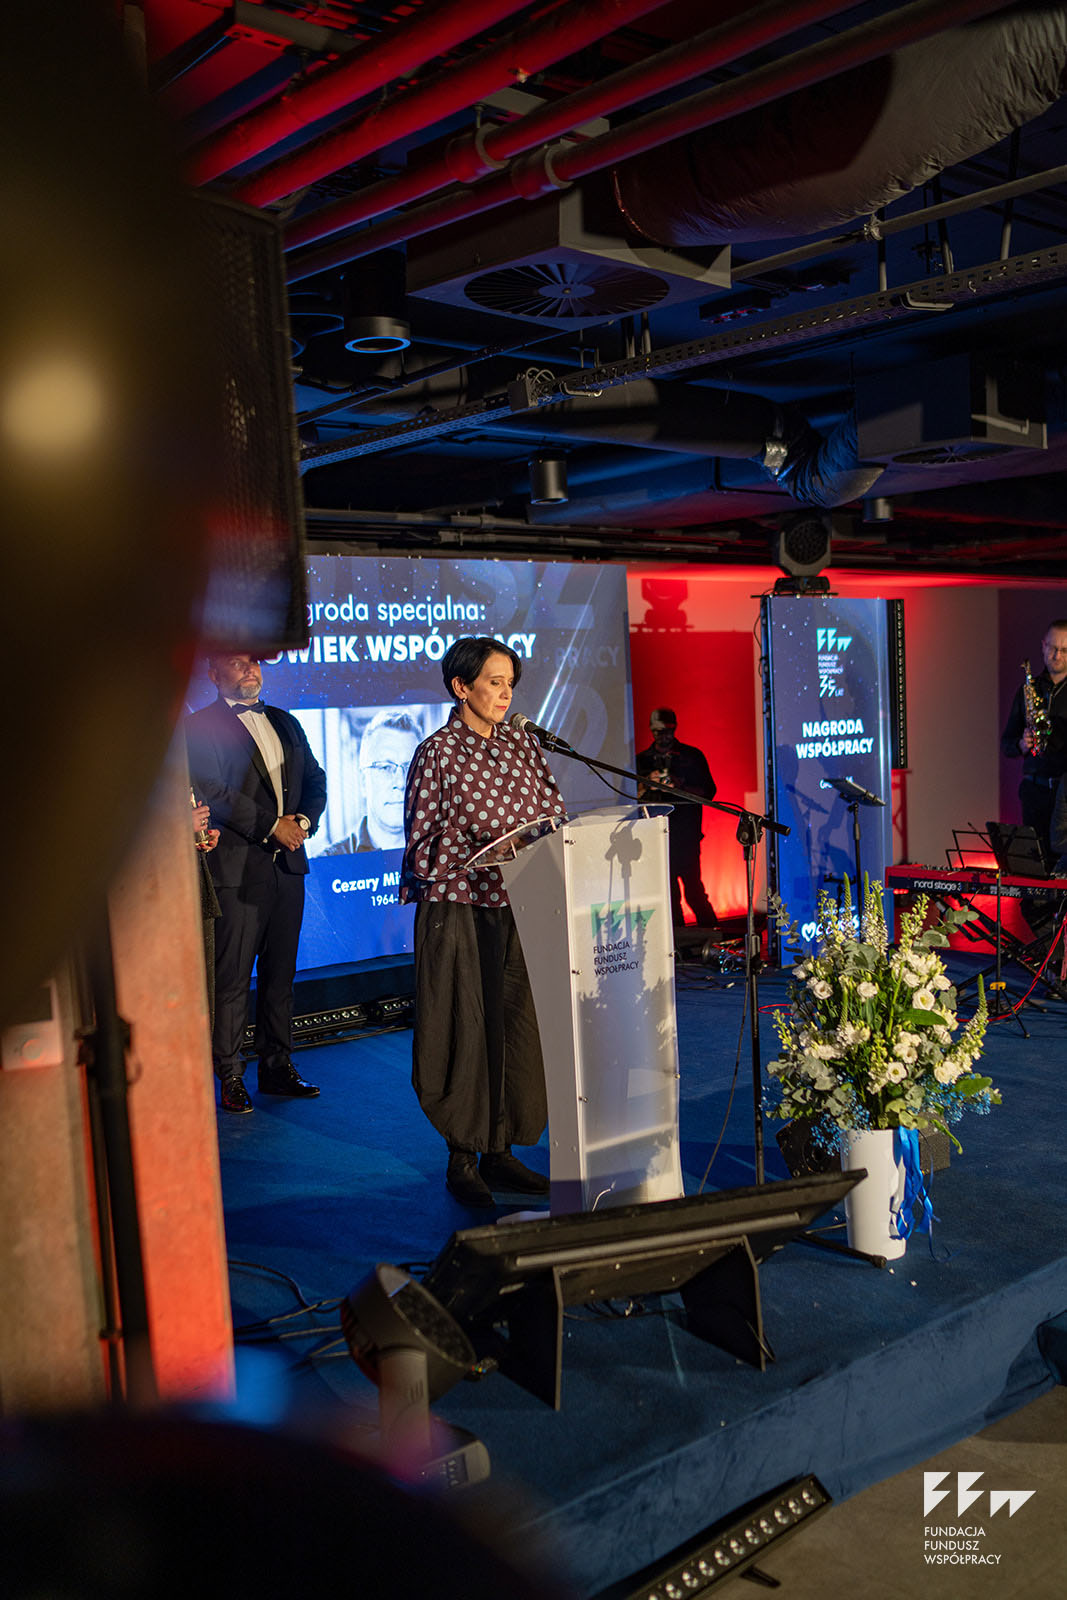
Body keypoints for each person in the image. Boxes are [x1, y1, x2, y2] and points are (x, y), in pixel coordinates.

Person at [400, 636, 567, 1206]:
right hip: (460, 907)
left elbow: (553, 809)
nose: (505, 693)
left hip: (521, 905)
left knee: (516, 1027)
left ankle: (501, 1152)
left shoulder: (523, 744)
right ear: (461, 687)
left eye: (509, 683)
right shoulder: (437, 753)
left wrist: (543, 838)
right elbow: (422, 846)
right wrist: (484, 847)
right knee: (467, 1028)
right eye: (494, 682)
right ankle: (463, 1158)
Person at [186, 652, 327, 1115]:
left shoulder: (285, 721)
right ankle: (230, 1074)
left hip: (288, 867)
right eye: (236, 662)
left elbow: (316, 779)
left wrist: (302, 821)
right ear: (213, 674)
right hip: (236, 870)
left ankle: (277, 1066)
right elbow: (214, 791)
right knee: (231, 979)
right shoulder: (200, 726)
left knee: (280, 975)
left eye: (254, 662)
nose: (250, 669)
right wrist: (271, 827)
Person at [636, 707, 719, 929]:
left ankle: (714, 936)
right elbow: (628, 797)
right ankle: (679, 943)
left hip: (686, 836)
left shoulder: (692, 756)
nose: (663, 736)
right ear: (651, 730)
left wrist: (680, 786)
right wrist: (646, 784)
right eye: (658, 731)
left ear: (674, 728)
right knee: (668, 895)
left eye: (667, 731)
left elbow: (709, 792)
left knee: (694, 891)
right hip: (655, 839)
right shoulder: (641, 761)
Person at [1000, 619, 1067, 854]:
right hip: (1034, 791)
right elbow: (1007, 743)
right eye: (1052, 648)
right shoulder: (1028, 689)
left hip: (1064, 793)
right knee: (1035, 861)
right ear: (1043, 646)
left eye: (1064, 650)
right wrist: (1021, 744)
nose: (1057, 655)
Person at [323, 710, 420, 854]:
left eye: (410, 767)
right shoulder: (329, 861)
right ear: (363, 781)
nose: (400, 782)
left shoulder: (443, 850)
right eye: (385, 767)